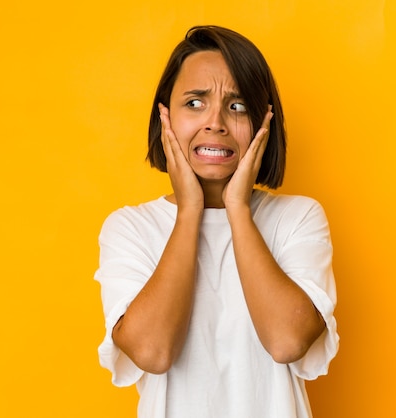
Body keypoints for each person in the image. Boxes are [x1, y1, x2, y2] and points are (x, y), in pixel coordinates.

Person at [95, 25, 339, 418]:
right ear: (165, 117)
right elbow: (153, 352)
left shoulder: (298, 218)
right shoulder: (130, 228)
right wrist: (190, 210)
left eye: (238, 106)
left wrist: (237, 209)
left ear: (264, 123)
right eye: (194, 103)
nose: (216, 122)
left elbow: (286, 341)